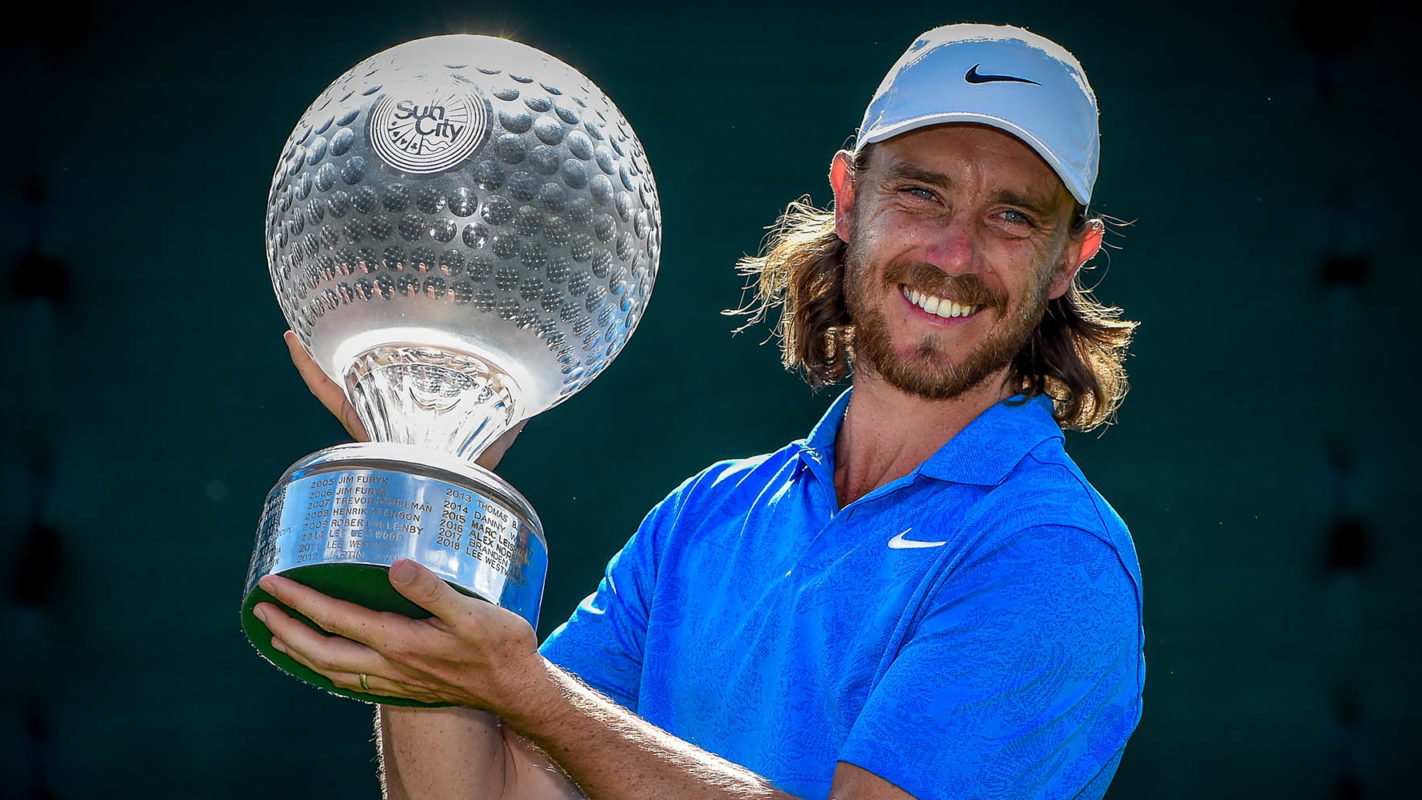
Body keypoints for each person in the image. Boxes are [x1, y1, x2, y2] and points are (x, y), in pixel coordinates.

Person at [255, 23, 1144, 800]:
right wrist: (432, 481)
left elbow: (547, 716)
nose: (954, 253)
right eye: (921, 193)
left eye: (1013, 216)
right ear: (848, 199)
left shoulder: (1052, 554)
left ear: (1072, 258)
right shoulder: (704, 518)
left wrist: (526, 692)